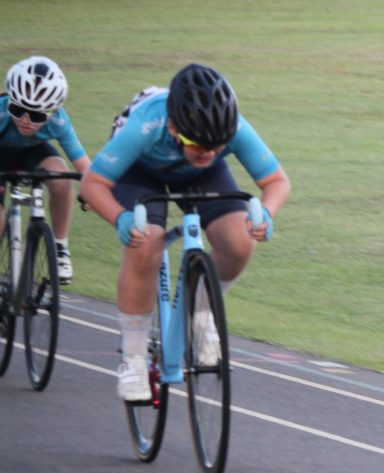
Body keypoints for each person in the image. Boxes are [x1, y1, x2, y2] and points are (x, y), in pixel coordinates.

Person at [80, 63, 290, 401]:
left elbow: (276, 181)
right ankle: (133, 357)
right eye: (197, 143)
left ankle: (201, 314)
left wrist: (265, 214)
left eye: (218, 145)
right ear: (175, 127)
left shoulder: (228, 129)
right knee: (144, 243)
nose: (207, 152)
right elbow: (93, 184)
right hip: (140, 171)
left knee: (239, 243)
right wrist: (120, 218)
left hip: (197, 177)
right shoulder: (147, 125)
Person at [1, 56, 91, 284]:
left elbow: (83, 165)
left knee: (61, 178)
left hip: (33, 152)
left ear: (52, 112)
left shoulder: (60, 122)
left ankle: (61, 248)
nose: (25, 120)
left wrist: (92, 190)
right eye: (17, 109)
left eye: (37, 115)